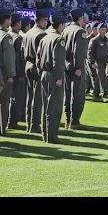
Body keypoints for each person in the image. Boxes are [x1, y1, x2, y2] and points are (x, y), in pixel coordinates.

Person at [36, 13, 66, 143]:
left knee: (45, 105)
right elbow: (57, 60)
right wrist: (59, 77)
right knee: (55, 107)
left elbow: (38, 58)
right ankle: (52, 136)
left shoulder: (45, 38)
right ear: (60, 25)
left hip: (44, 73)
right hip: (54, 75)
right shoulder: (58, 39)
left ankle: (45, 135)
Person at [62, 9, 89, 130]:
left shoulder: (65, 30)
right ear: (80, 18)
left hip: (66, 65)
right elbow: (79, 51)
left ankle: (68, 120)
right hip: (76, 66)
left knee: (67, 94)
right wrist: (78, 67)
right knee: (77, 94)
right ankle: (74, 121)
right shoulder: (80, 31)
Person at [23, 9, 49, 134]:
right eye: (46, 20)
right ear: (42, 20)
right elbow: (43, 54)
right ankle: (34, 124)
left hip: (27, 64)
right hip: (37, 65)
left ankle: (29, 122)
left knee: (30, 95)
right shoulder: (41, 34)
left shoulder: (28, 33)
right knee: (38, 97)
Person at [0, 9, 16, 134]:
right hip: (3, 72)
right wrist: (11, 74)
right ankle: (0, 127)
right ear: (6, 20)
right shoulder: (6, 36)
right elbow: (9, 58)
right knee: (3, 102)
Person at [8, 13, 26, 128]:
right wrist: (20, 73)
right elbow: (19, 58)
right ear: (18, 23)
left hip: (8, 71)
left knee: (9, 96)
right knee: (16, 97)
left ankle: (9, 119)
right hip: (16, 72)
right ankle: (12, 120)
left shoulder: (8, 34)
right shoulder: (17, 37)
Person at [87, 23, 108, 102]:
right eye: (102, 30)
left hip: (105, 61)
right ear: (98, 30)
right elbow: (89, 52)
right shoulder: (94, 40)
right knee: (102, 78)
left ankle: (95, 95)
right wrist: (92, 62)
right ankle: (104, 95)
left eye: (104, 29)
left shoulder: (107, 40)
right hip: (98, 61)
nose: (103, 31)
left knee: (99, 79)